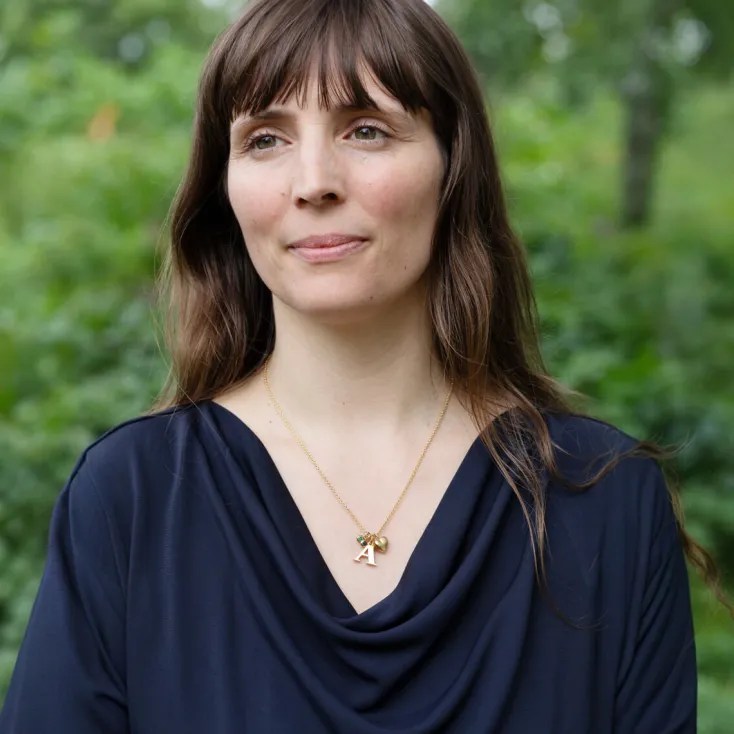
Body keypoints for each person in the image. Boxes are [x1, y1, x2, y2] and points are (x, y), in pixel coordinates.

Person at [1, 0, 724, 731]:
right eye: (265, 139)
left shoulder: (605, 501)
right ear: (224, 189)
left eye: (366, 129)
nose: (313, 181)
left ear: (454, 167)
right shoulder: (131, 498)